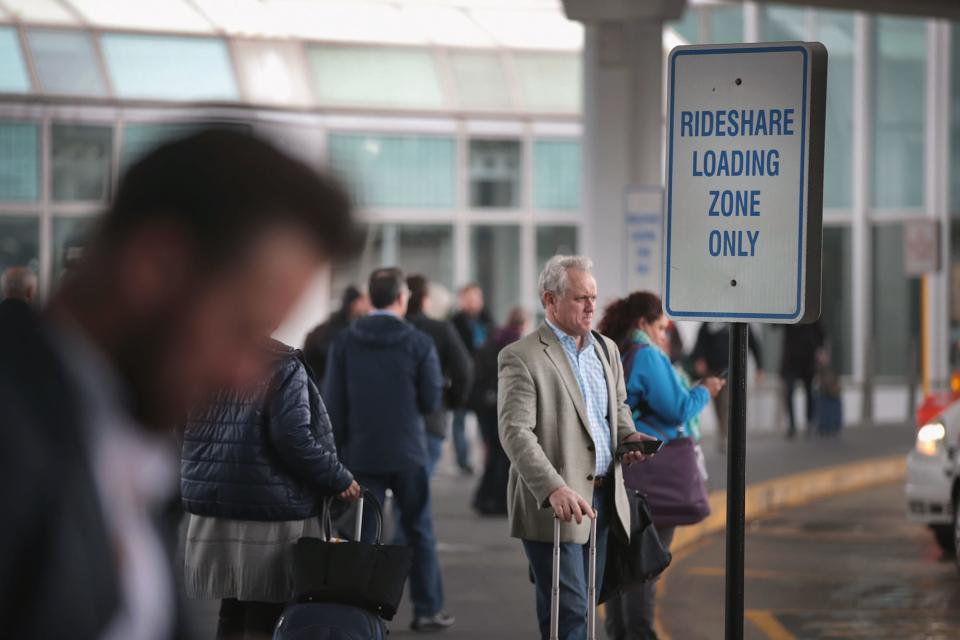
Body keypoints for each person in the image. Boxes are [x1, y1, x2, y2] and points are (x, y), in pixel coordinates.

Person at [0, 129, 356, 640]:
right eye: (239, 329)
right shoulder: (18, 442)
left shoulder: (126, 444)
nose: (248, 378)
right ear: (155, 266)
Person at [498, 255, 651, 640]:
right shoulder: (522, 356)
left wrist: (629, 438)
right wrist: (553, 488)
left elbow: (617, 410)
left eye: (594, 297)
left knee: (577, 608)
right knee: (572, 617)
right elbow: (515, 432)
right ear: (550, 300)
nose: (590, 307)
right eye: (581, 298)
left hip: (602, 501)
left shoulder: (606, 350)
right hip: (557, 505)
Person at [181, 338, 361, 639]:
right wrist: (338, 478)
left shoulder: (204, 358)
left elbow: (181, 426)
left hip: (216, 502)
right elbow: (293, 438)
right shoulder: (283, 365)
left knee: (234, 605)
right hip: (271, 509)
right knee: (266, 609)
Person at [323, 267, 455, 633]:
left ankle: (361, 614)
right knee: (418, 530)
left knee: (362, 536)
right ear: (402, 298)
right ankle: (427, 609)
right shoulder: (418, 343)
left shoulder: (345, 342)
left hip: (361, 454)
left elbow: (332, 404)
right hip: (408, 452)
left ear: (371, 298)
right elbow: (430, 401)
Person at [598, 292, 724, 640]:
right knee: (645, 565)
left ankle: (621, 633)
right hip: (653, 472)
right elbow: (677, 409)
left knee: (624, 565)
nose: (664, 336)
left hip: (622, 472)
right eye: (661, 328)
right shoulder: (648, 357)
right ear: (643, 324)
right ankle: (641, 634)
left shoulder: (617, 350)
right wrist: (705, 391)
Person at [405, 274, 473, 475]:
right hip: (432, 418)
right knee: (418, 496)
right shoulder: (440, 330)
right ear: (425, 299)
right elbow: (464, 370)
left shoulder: (388, 330)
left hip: (390, 425)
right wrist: (451, 401)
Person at [470, 306, 529, 516]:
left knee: (493, 452)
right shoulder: (517, 345)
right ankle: (497, 500)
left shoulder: (492, 340)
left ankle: (483, 498)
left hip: (485, 406)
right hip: (502, 405)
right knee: (503, 454)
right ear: (523, 325)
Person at [691, 322, 764, 452]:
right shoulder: (709, 324)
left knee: (727, 403)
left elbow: (753, 343)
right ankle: (724, 433)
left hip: (732, 371)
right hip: (712, 371)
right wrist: (699, 359)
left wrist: (760, 367)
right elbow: (700, 344)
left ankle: (728, 436)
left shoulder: (739, 321)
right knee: (718, 405)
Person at [450, 282, 495, 474]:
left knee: (485, 422)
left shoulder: (487, 318)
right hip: (462, 378)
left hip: (483, 379)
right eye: (469, 298)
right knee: (459, 421)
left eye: (477, 297)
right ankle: (463, 460)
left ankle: (488, 459)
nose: (474, 302)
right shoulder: (455, 322)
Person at [302, 285, 370, 385]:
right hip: (318, 381)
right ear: (355, 303)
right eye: (363, 301)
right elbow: (331, 355)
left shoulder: (345, 323)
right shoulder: (338, 326)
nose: (366, 305)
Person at [780, 320, 827, 439]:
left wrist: (820, 350)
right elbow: (775, 325)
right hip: (790, 360)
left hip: (807, 358)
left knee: (809, 392)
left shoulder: (811, 310)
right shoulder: (790, 311)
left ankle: (809, 422)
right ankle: (791, 424)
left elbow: (820, 333)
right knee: (789, 391)